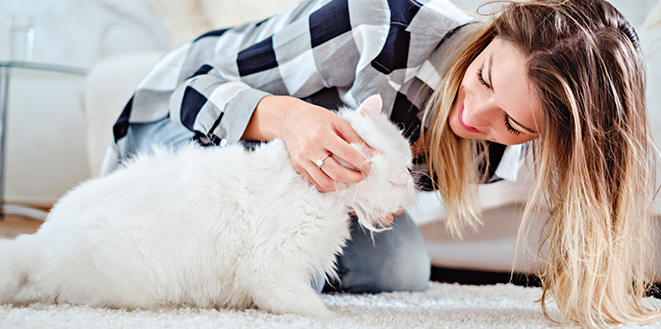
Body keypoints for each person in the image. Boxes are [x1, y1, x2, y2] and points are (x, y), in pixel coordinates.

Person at [102, 0, 660, 325]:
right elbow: (193, 92)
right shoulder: (375, 24)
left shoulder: (500, 148)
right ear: (495, 31)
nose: (475, 113)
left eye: (514, 125)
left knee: (397, 269)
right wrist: (290, 120)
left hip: (287, 187)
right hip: (182, 124)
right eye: (486, 76)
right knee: (279, 272)